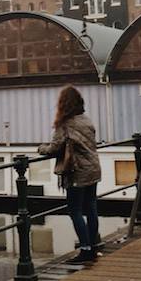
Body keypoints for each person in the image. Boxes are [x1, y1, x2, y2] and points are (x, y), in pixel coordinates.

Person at [38, 85, 101, 265]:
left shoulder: (65, 124)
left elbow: (53, 148)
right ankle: (93, 244)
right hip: (93, 168)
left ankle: (85, 249)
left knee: (74, 211)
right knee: (91, 208)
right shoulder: (86, 120)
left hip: (77, 171)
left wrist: (40, 148)